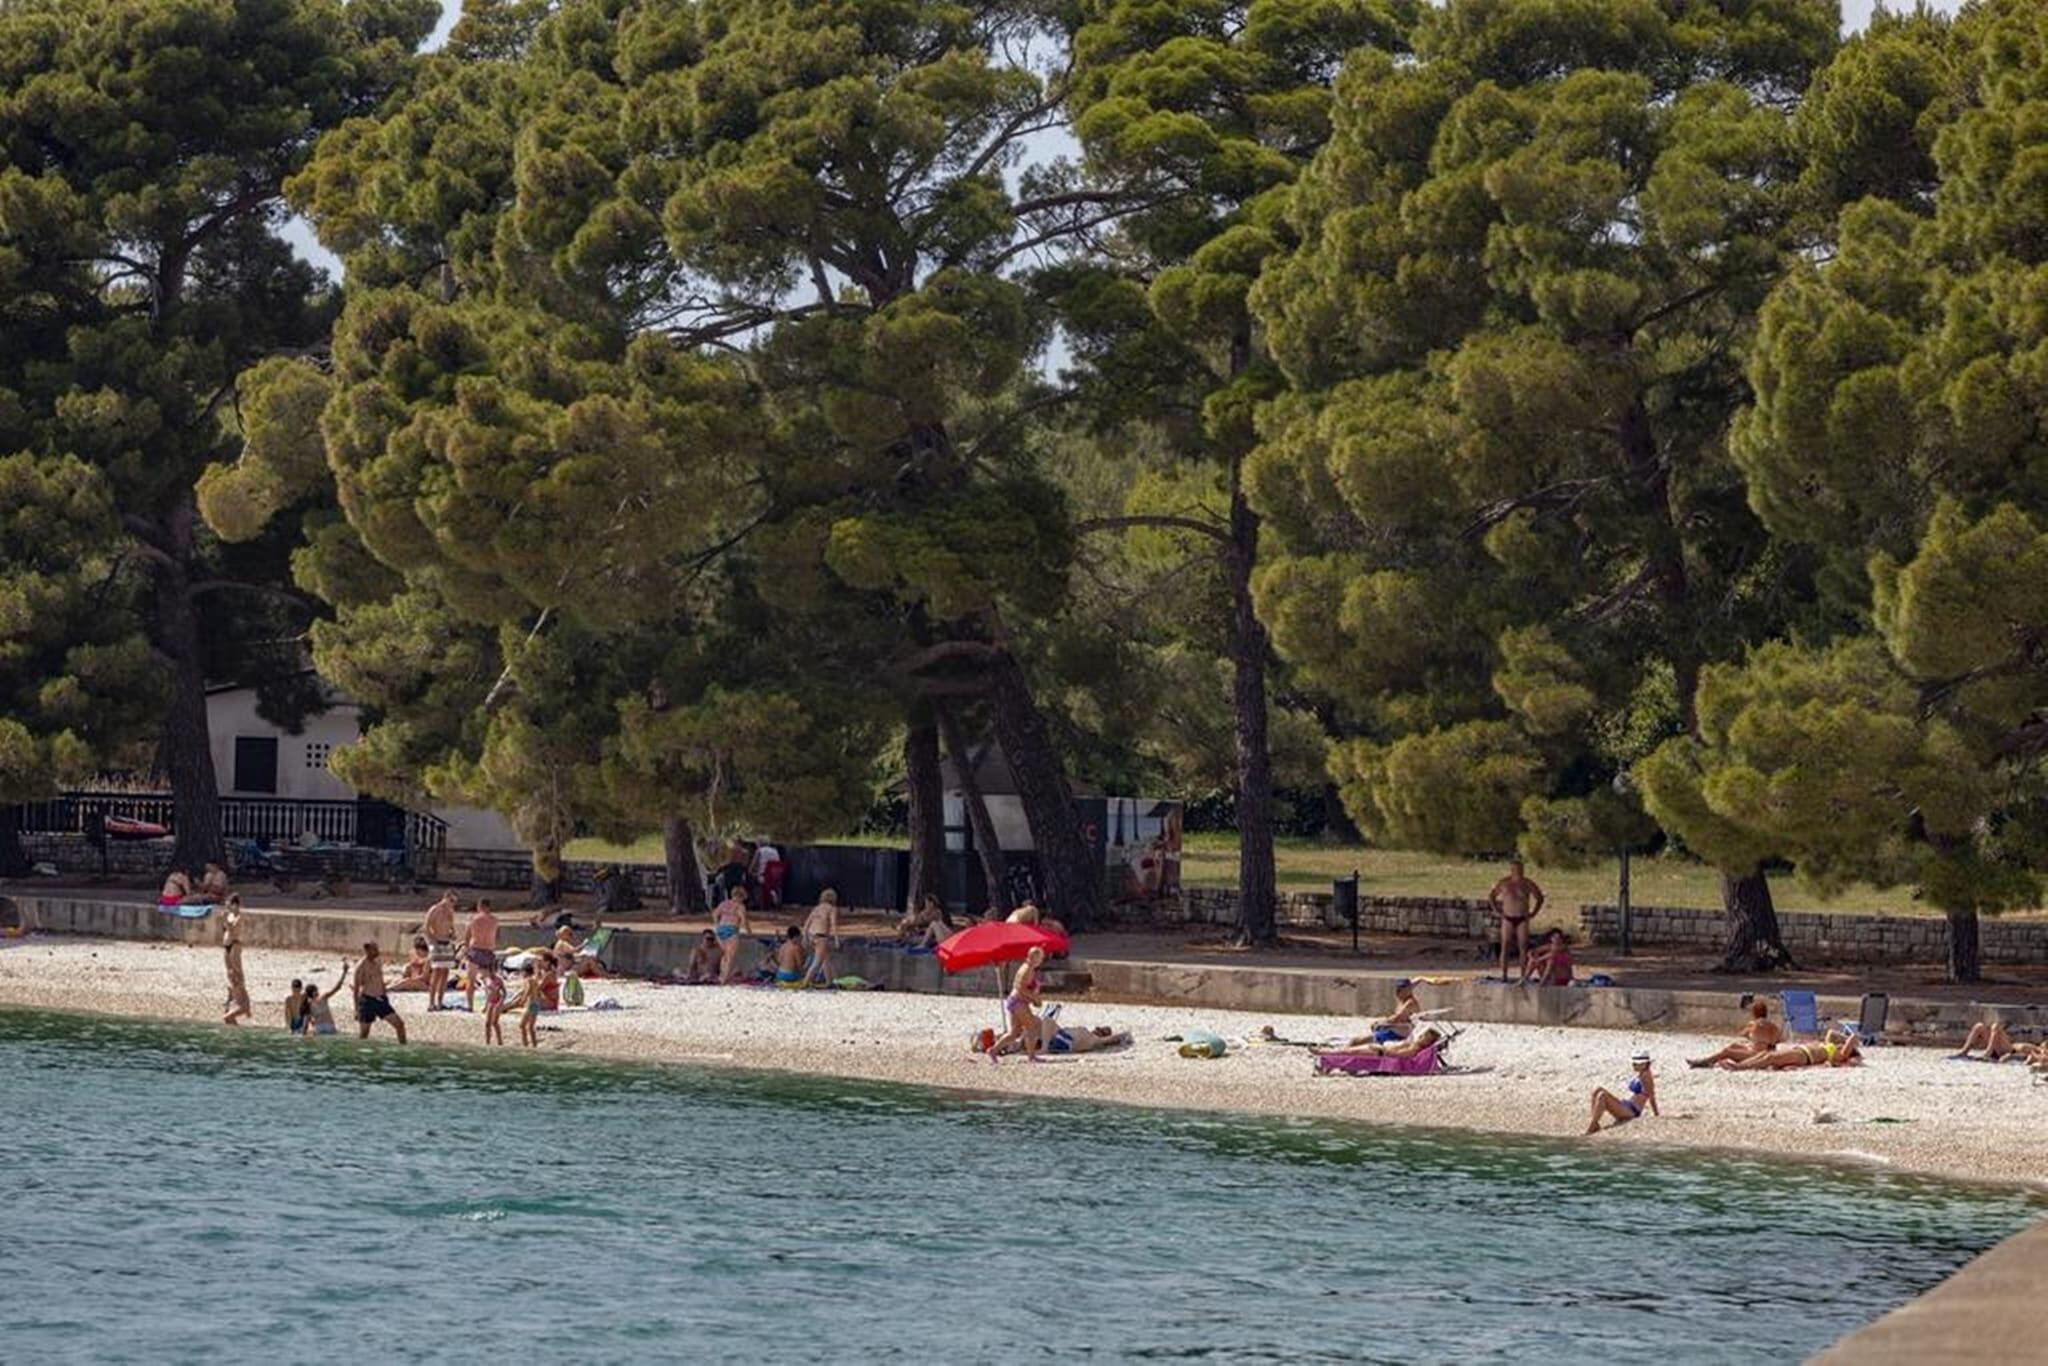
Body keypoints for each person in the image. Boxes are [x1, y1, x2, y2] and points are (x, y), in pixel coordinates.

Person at [986, 946, 1047, 1064]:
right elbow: (1020, 988)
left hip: (1013, 1001)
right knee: (1032, 1027)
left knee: (1014, 1032)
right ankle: (1031, 1057)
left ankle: (993, 1050)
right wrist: (1034, 998)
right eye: (1039, 957)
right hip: (1019, 1002)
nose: (1041, 960)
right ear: (1033, 957)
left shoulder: (1026, 968)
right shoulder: (1028, 969)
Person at [1488, 858, 1545, 983]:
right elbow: (1492, 896)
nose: (1518, 872)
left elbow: (1539, 898)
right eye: (1516, 869)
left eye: (1520, 869)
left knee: (1523, 946)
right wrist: (1497, 911)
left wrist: (1534, 912)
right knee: (1505, 946)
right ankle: (1504, 974)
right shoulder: (1504, 883)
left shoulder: (1528, 883)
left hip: (1522, 918)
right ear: (1512, 870)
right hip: (1508, 917)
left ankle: (1523, 975)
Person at [1688, 1000, 1783, 1068]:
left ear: (1754, 1013)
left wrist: (1753, 1036)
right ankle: (1711, 1061)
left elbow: (1742, 1034)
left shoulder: (1753, 1024)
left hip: (1755, 1054)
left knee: (1728, 1051)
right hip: (1765, 1052)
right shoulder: (1773, 1026)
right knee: (1734, 1045)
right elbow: (1778, 1040)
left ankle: (1705, 1061)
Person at [1719, 1028, 1861, 1070]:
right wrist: (1841, 1039)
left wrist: (1847, 1043)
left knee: (1770, 1058)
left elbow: (1853, 1037)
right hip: (1800, 1050)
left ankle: (1738, 1067)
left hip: (1804, 1056)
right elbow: (1831, 1032)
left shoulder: (1841, 1055)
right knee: (1765, 1054)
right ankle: (1740, 1065)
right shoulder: (1830, 1046)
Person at [1586, 1052, 1659, 1134]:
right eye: (1634, 1063)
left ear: (1646, 1064)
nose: (1634, 1065)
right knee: (1597, 1089)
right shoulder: (1641, 1074)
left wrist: (1656, 1115)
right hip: (1626, 1105)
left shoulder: (1646, 1077)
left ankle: (1592, 1127)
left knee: (1602, 1095)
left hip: (1632, 1111)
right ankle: (1595, 1124)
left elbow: (1652, 1096)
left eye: (1638, 1064)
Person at [353, 942, 408, 1043]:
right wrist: (356, 1009)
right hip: (367, 1001)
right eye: (374, 949)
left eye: (377, 949)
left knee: (399, 1024)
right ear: (367, 950)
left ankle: (403, 1048)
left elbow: (381, 981)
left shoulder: (378, 962)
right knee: (364, 1034)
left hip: (381, 1000)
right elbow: (356, 989)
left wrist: (385, 996)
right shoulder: (361, 966)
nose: (377, 952)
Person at [1345, 980, 1423, 1046]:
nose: (1397, 993)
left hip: (1397, 1035)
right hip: (1393, 1032)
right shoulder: (1404, 1001)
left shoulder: (1409, 1004)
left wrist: (1381, 1023)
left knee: (1357, 1041)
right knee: (1358, 1040)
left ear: (1408, 990)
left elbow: (1396, 1019)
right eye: (1397, 990)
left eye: (1399, 990)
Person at [420, 891, 458, 1011]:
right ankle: (431, 1002)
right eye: (451, 900)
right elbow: (426, 927)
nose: (452, 904)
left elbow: (451, 927)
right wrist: (432, 941)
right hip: (437, 943)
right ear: (445, 898)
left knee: (445, 973)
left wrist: (452, 934)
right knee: (436, 973)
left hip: (446, 943)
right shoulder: (435, 909)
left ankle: (440, 1002)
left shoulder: (450, 912)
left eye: (454, 902)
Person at [461, 898, 499, 1012]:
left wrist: (465, 950)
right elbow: (496, 937)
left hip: (475, 950)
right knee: (487, 978)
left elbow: (467, 936)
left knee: (471, 980)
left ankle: (470, 1006)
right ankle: (488, 1005)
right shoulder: (495, 920)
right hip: (488, 950)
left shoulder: (473, 919)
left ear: (480, 906)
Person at [221, 895, 252, 1026]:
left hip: (235, 944)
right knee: (229, 972)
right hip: (227, 945)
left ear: (236, 905)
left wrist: (226, 922)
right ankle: (234, 994)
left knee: (237, 971)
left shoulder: (239, 917)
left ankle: (243, 999)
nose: (227, 906)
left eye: (230, 904)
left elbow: (233, 930)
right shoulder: (229, 916)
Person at [1950, 1020, 2045, 1063]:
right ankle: (1963, 1052)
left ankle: (1987, 1053)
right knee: (1979, 1026)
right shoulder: (2035, 1047)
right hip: (2000, 1049)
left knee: (1996, 1026)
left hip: (2006, 1051)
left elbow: (2036, 1056)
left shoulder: (2035, 1049)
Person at [802, 890, 841, 985]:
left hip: (811, 935)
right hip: (821, 936)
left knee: (825, 959)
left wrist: (805, 937)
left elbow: (807, 924)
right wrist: (836, 939)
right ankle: (805, 982)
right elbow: (833, 924)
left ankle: (829, 982)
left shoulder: (816, 908)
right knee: (817, 962)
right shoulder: (831, 909)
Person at [713, 887, 750, 983]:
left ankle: (722, 975)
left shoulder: (724, 904)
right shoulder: (740, 906)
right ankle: (724, 978)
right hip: (732, 929)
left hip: (720, 929)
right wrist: (748, 930)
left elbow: (715, 914)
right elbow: (743, 919)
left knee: (724, 955)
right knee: (730, 956)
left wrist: (717, 925)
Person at [302, 963, 347, 1037]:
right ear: (315, 991)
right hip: (329, 1027)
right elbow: (337, 987)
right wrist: (344, 973)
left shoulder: (308, 1005)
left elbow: (305, 1025)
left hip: (318, 1028)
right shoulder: (323, 998)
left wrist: (303, 1037)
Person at [506, 963, 541, 1048]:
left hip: (531, 1004)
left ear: (525, 972)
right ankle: (534, 1045)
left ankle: (526, 1045)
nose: (521, 974)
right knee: (530, 1027)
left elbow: (528, 990)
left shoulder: (528, 980)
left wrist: (523, 1000)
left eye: (522, 972)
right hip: (536, 1004)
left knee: (522, 1025)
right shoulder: (534, 979)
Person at [750, 838, 784, 909]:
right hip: (775, 878)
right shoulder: (775, 851)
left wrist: (750, 872)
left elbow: (752, 866)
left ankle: (754, 903)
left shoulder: (759, 851)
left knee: (750, 878)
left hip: (763, 877)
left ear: (759, 844)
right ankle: (773, 896)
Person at [481, 966, 508, 1046]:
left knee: (495, 1022)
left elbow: (504, 993)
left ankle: (500, 1042)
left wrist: (501, 1002)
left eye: (493, 971)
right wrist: (485, 1005)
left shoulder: (499, 980)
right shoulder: (486, 980)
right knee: (487, 1023)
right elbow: (487, 993)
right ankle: (487, 1042)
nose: (491, 973)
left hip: (497, 1001)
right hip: (490, 1002)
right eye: (490, 971)